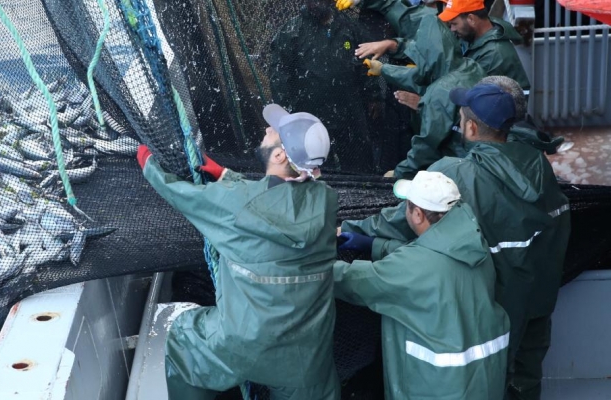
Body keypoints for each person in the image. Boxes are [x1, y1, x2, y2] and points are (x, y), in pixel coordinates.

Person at [340, 81, 571, 400]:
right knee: (526, 379)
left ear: (471, 127)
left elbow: (401, 219)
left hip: (495, 307)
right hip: (539, 298)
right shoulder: (537, 164)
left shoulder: (458, 173)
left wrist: (348, 231)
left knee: (495, 380)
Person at [137, 104, 340, 399]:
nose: (267, 130)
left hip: (243, 346)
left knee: (179, 343)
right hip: (306, 356)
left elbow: (181, 195)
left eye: (274, 131)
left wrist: (149, 164)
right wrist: (226, 175)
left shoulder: (235, 203)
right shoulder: (326, 201)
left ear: (280, 155)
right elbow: (279, 197)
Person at [335, 171, 509, 399]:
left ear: (417, 214)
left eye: (406, 206)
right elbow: (430, 258)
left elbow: (351, 281)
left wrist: (306, 264)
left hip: (435, 386)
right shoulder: (474, 245)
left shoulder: (415, 266)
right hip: (482, 381)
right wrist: (375, 245)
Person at [362, 16, 484, 178]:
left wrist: (400, 172)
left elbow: (427, 145)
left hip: (463, 165)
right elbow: (424, 76)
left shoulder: (440, 92)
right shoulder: (468, 66)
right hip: (485, 155)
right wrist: (385, 70)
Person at [269, 0, 382, 173]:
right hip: (310, 115)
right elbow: (279, 75)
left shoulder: (348, 27)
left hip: (350, 112)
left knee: (360, 168)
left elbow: (366, 62)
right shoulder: (293, 31)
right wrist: (286, 113)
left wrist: (373, 95)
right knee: (317, 169)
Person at [439, 0, 531, 93]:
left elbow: (468, 91)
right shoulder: (473, 35)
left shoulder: (494, 53)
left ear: (471, 19)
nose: (452, 29)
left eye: (454, 24)